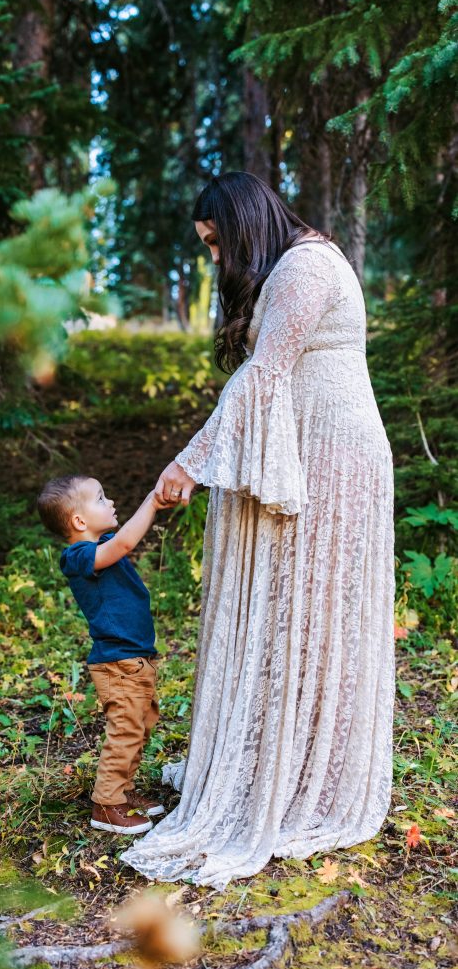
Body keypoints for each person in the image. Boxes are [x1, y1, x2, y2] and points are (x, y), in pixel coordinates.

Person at [120, 171, 396, 889]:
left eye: (215, 243)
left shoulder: (305, 266)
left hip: (333, 460)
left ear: (241, 226)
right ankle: (271, 754)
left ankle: (304, 774)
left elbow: (263, 375)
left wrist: (186, 462)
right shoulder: (291, 266)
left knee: (311, 614)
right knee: (285, 613)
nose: (214, 259)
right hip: (309, 450)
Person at [37, 475, 174, 835]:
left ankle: (123, 792)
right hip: (118, 661)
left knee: (141, 727)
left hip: (136, 657)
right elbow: (126, 542)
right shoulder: (79, 556)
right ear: (79, 521)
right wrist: (152, 501)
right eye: (100, 498)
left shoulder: (104, 543)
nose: (110, 502)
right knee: (125, 730)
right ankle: (107, 804)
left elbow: (120, 541)